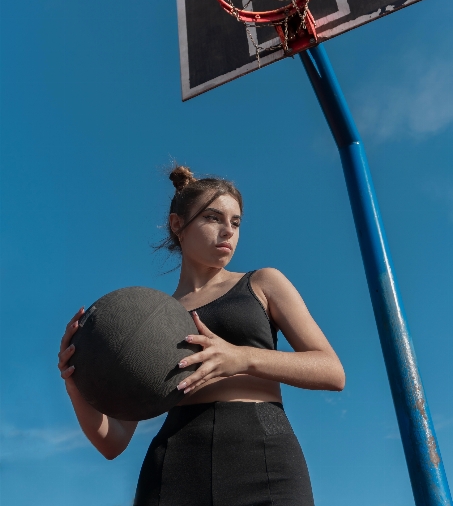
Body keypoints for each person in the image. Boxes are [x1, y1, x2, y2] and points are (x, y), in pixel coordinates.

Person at [58, 165, 345, 506]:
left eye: (236, 222)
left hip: (264, 458)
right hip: (173, 466)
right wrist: (75, 382)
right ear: (178, 224)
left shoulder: (263, 283)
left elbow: (332, 371)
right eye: (213, 218)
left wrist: (242, 358)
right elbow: (113, 442)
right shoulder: (151, 318)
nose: (228, 231)